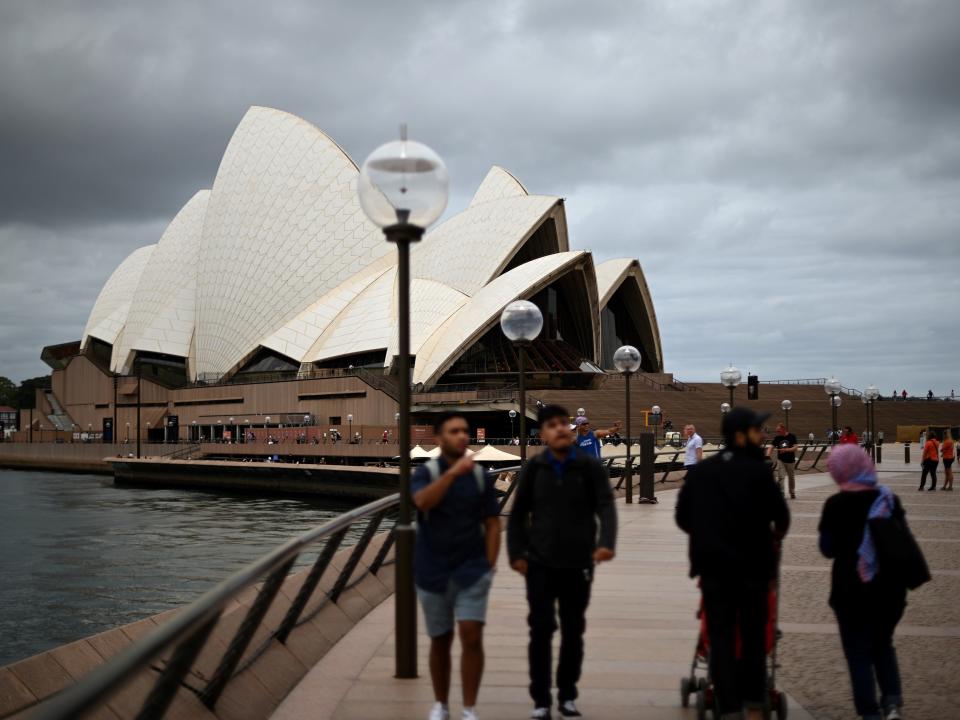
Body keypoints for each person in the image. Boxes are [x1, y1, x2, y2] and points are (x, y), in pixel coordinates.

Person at [675, 407, 790, 720]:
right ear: (741, 435)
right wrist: (771, 539)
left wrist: (706, 535)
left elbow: (683, 518)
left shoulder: (702, 472)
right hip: (754, 570)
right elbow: (782, 519)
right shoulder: (758, 472)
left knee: (721, 638)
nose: (762, 435)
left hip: (714, 570)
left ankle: (728, 708)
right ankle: (754, 704)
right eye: (757, 430)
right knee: (753, 637)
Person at [508, 404, 617, 719]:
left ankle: (567, 694)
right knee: (540, 630)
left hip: (578, 562)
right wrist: (517, 554)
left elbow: (606, 507)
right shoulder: (534, 468)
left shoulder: (589, 467)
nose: (560, 429)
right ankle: (541, 699)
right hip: (539, 563)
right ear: (542, 433)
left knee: (573, 631)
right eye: (552, 425)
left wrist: (606, 543)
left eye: (563, 424)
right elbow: (517, 515)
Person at [412, 412, 502, 720]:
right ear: (439, 439)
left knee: (471, 635)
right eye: (454, 431)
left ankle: (469, 707)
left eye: (464, 431)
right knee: (440, 638)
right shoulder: (425, 473)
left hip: (472, 569)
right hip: (432, 570)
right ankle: (441, 704)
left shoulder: (479, 476)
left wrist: (489, 566)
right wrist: (452, 474)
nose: (462, 436)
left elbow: (492, 523)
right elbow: (423, 502)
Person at [819, 445, 907, 720]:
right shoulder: (888, 499)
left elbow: (828, 549)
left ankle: (869, 713)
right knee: (883, 644)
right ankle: (892, 702)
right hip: (890, 589)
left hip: (850, 589)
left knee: (858, 653)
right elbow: (902, 541)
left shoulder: (835, 505)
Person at [770, 423, 799, 499]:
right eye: (777, 431)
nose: (777, 432)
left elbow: (796, 447)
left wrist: (787, 450)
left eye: (779, 431)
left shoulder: (792, 436)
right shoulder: (777, 438)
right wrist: (767, 455)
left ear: (783, 429)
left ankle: (792, 491)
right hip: (781, 460)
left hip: (790, 461)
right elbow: (771, 447)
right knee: (781, 476)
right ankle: (781, 492)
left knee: (791, 477)